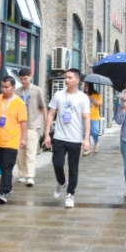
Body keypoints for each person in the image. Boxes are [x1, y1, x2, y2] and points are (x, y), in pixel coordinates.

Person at [44, 69, 91, 208]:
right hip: (59, 136)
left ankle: (70, 194)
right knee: (57, 163)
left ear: (77, 80)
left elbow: (87, 119)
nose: (66, 80)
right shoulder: (58, 95)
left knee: (73, 168)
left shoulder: (83, 98)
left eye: (70, 77)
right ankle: (61, 182)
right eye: (66, 77)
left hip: (75, 138)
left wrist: (86, 139)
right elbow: (51, 114)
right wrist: (47, 134)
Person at [0, 76, 28, 204]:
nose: (3, 89)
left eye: (6, 87)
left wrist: (24, 138)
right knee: (1, 165)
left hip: (12, 140)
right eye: (2, 87)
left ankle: (3, 192)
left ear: (13, 88)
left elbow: (23, 122)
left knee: (7, 165)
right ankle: (8, 186)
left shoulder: (19, 103)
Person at [16, 68, 48, 187]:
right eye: (21, 79)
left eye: (25, 78)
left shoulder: (37, 90)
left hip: (33, 125)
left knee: (30, 151)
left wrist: (46, 121)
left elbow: (42, 106)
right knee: (20, 152)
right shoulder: (17, 91)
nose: (23, 81)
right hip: (19, 126)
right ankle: (22, 174)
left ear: (31, 76)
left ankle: (30, 176)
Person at [84, 82, 103, 155]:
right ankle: (87, 148)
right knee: (86, 133)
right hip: (85, 117)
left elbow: (100, 104)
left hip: (94, 117)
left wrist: (93, 99)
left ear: (90, 86)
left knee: (95, 132)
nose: (85, 86)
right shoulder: (82, 95)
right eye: (85, 85)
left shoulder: (97, 94)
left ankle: (96, 142)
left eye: (86, 85)